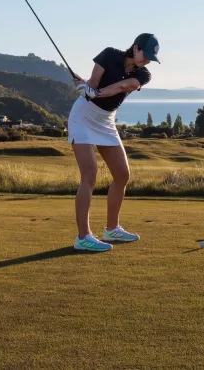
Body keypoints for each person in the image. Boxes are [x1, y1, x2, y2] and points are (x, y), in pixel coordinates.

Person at [67, 33, 160, 252]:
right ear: (135, 48)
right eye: (144, 55)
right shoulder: (108, 55)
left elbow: (120, 87)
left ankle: (111, 229)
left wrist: (94, 92)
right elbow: (93, 83)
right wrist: (86, 87)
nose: (146, 61)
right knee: (89, 175)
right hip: (83, 116)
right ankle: (83, 237)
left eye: (149, 58)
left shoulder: (144, 75)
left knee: (122, 175)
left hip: (106, 120)